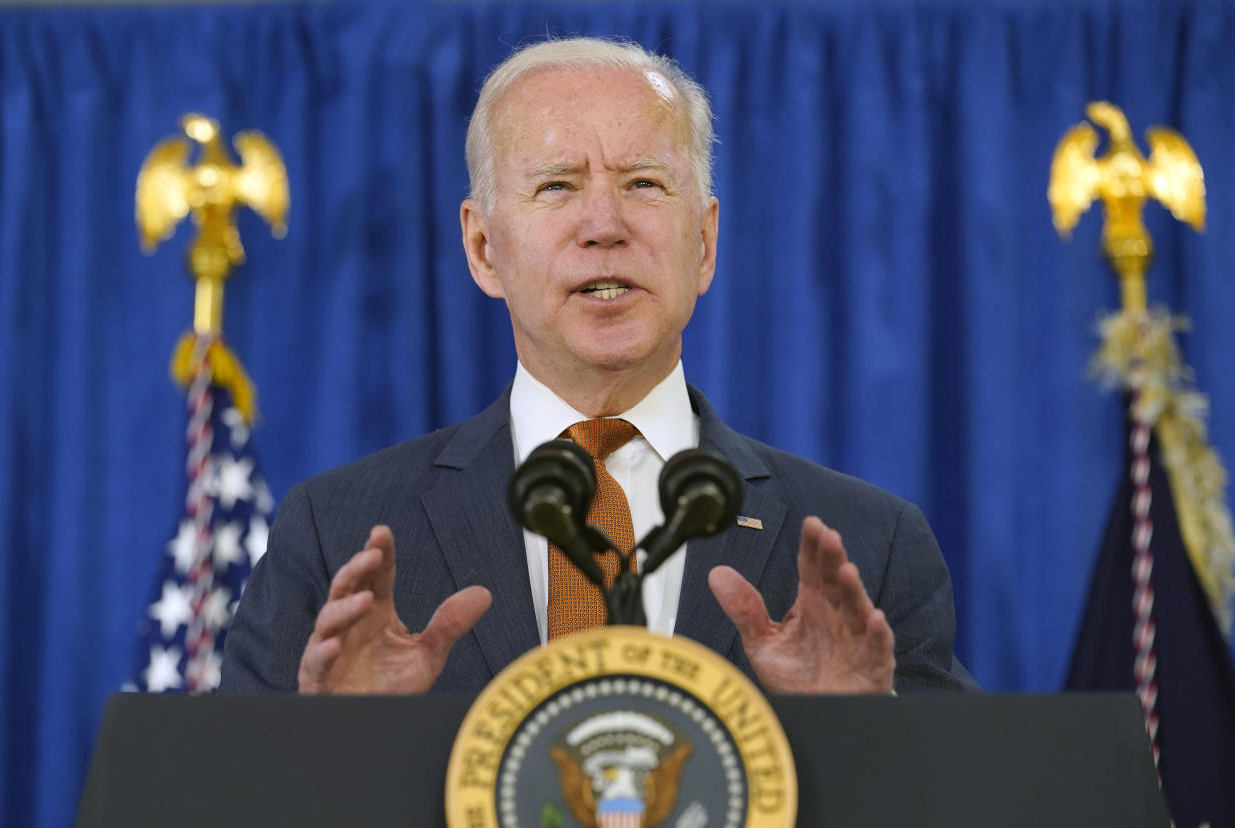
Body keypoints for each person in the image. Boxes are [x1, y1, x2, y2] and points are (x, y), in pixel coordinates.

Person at [220, 37, 977, 696]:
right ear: (484, 248)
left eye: (643, 183)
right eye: (557, 186)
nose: (604, 226)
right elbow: (229, 799)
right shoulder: (337, 535)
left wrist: (864, 736)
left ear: (704, 243)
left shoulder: (868, 546)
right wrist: (334, 750)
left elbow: (960, 799)